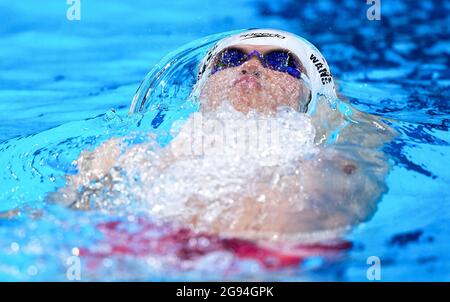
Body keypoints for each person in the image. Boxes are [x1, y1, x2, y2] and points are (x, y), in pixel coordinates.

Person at [51, 29, 395, 242]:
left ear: (311, 94)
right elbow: (47, 225)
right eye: (230, 58)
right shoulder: (123, 154)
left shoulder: (328, 159)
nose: (250, 66)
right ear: (200, 89)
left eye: (280, 62)